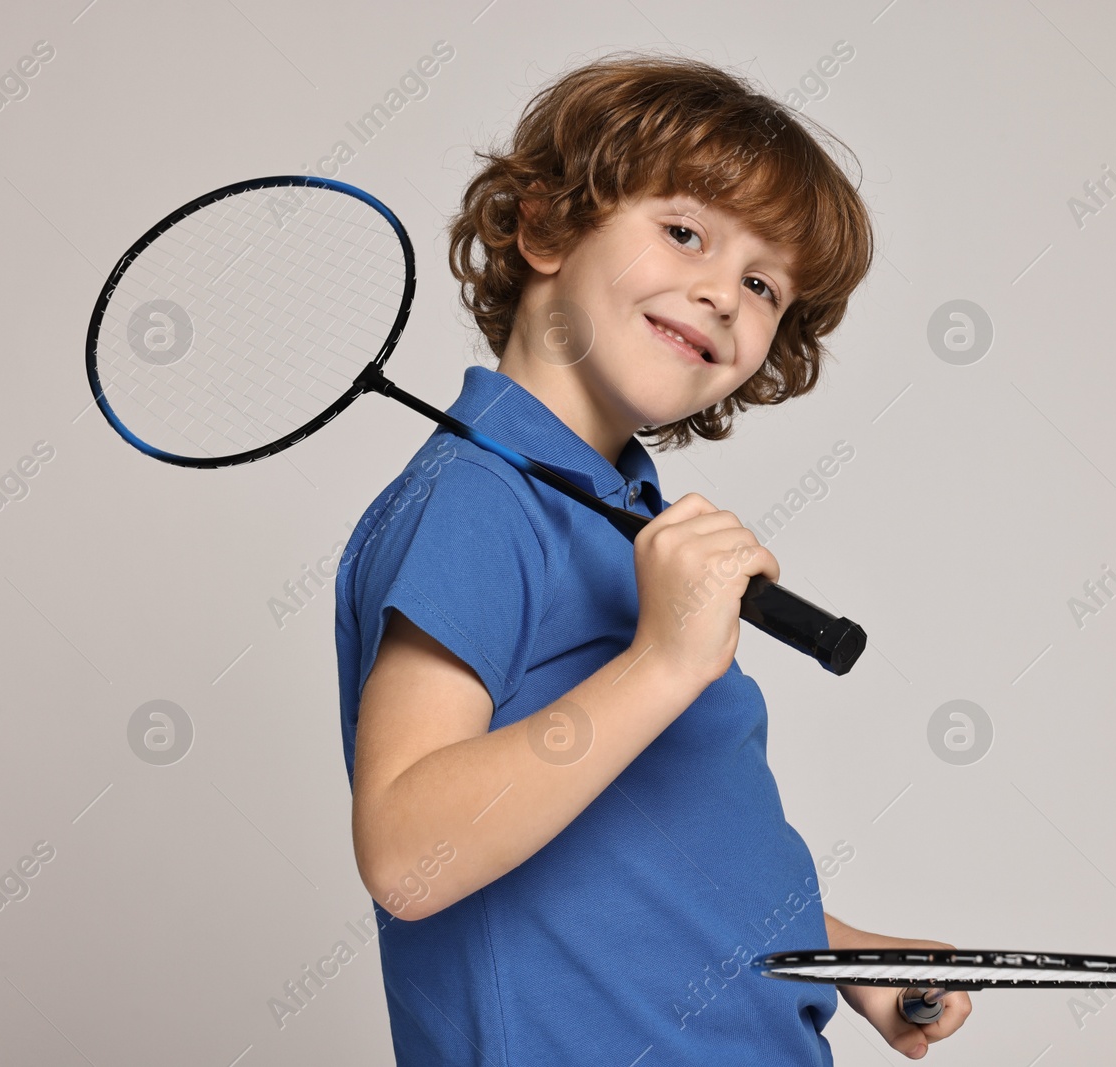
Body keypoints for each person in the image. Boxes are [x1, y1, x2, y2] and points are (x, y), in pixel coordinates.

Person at [333, 51, 972, 1064]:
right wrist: (666, 661)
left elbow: (640, 851)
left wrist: (838, 950)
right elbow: (412, 854)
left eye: (762, 284)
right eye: (684, 232)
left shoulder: (617, 509)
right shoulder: (477, 501)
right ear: (545, 227)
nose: (722, 292)